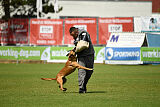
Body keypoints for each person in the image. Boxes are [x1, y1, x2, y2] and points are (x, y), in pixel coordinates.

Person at [69, 27, 95, 93]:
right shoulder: (76, 37)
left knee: (89, 71)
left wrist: (75, 49)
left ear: (76, 32)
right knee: (81, 71)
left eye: (73, 35)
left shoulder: (84, 33)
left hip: (89, 55)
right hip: (81, 56)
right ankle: (81, 88)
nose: (73, 37)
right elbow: (78, 46)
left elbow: (82, 45)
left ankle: (84, 84)